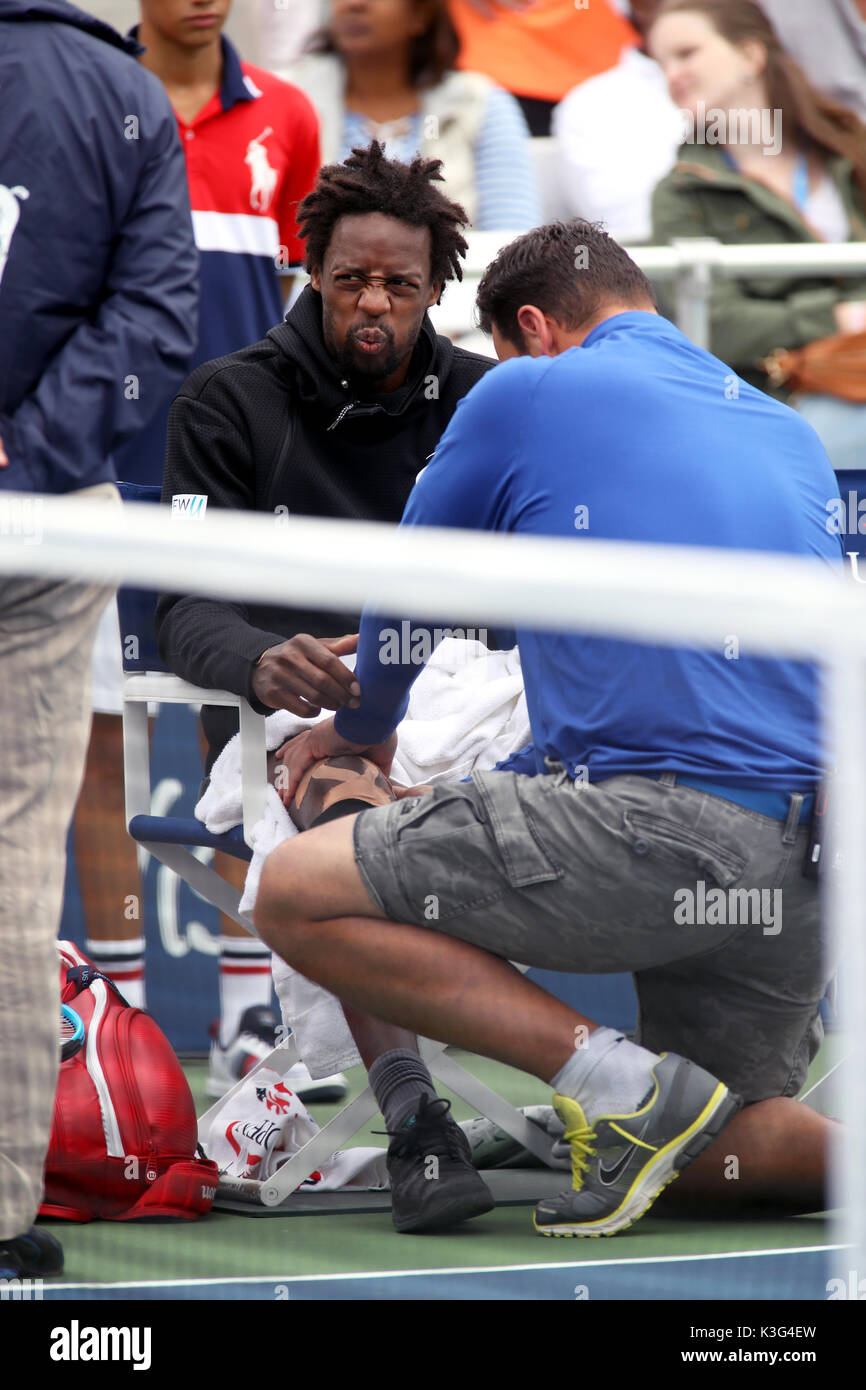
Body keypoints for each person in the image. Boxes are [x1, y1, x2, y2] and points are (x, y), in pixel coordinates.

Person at [252, 218, 842, 1238]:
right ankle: (665, 1115)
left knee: (293, 893)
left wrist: (363, 728)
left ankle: (615, 1084)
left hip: (656, 836)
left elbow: (410, 588)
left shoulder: (526, 388)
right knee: (711, 1158)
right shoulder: (785, 426)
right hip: (798, 870)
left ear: (528, 328)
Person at [156, 143, 509, 1226]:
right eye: (350, 276)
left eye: (399, 284)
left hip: (474, 696)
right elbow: (178, 609)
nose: (372, 302)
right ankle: (415, 1120)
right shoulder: (227, 401)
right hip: (300, 718)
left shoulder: (487, 399)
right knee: (334, 783)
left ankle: (664, 1099)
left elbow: (539, 594)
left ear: (434, 289)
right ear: (309, 271)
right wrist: (261, 662)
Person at [72, 0, 322, 1092]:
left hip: (231, 491)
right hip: (95, 480)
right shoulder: (83, 96)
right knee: (91, 751)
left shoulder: (291, 120)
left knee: (248, 736)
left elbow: (299, 308)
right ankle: (120, 1027)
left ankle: (243, 1020)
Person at [0, 0, 197, 1279]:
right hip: (40, 518)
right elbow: (153, 324)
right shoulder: (123, 95)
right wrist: (24, 452)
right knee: (14, 860)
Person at [647, 0, 866, 470]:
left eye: (686, 53)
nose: (672, 75)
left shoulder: (849, 149)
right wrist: (837, 317)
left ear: (750, 55)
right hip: (780, 397)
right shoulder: (681, 191)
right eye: (661, 62)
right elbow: (718, 327)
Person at [281, 0, 542, 232]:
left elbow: (512, 241)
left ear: (421, 13)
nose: (354, 4)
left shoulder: (481, 104)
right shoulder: (287, 98)